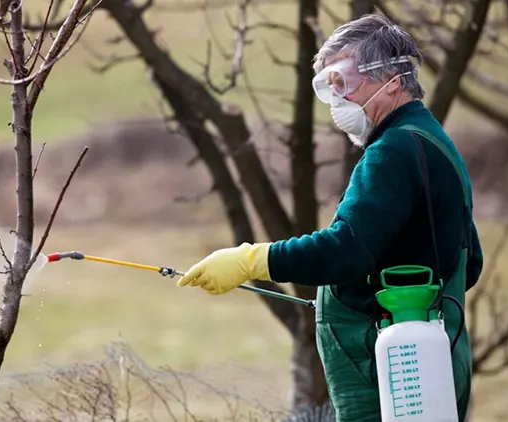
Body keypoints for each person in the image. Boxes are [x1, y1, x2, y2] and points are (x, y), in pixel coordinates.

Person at [176, 13, 483, 422]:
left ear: (391, 78)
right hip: (435, 362)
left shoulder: (392, 152)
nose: (337, 98)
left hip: (393, 373)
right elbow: (470, 261)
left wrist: (253, 260)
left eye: (344, 81)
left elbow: (347, 250)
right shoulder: (432, 141)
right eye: (329, 87)